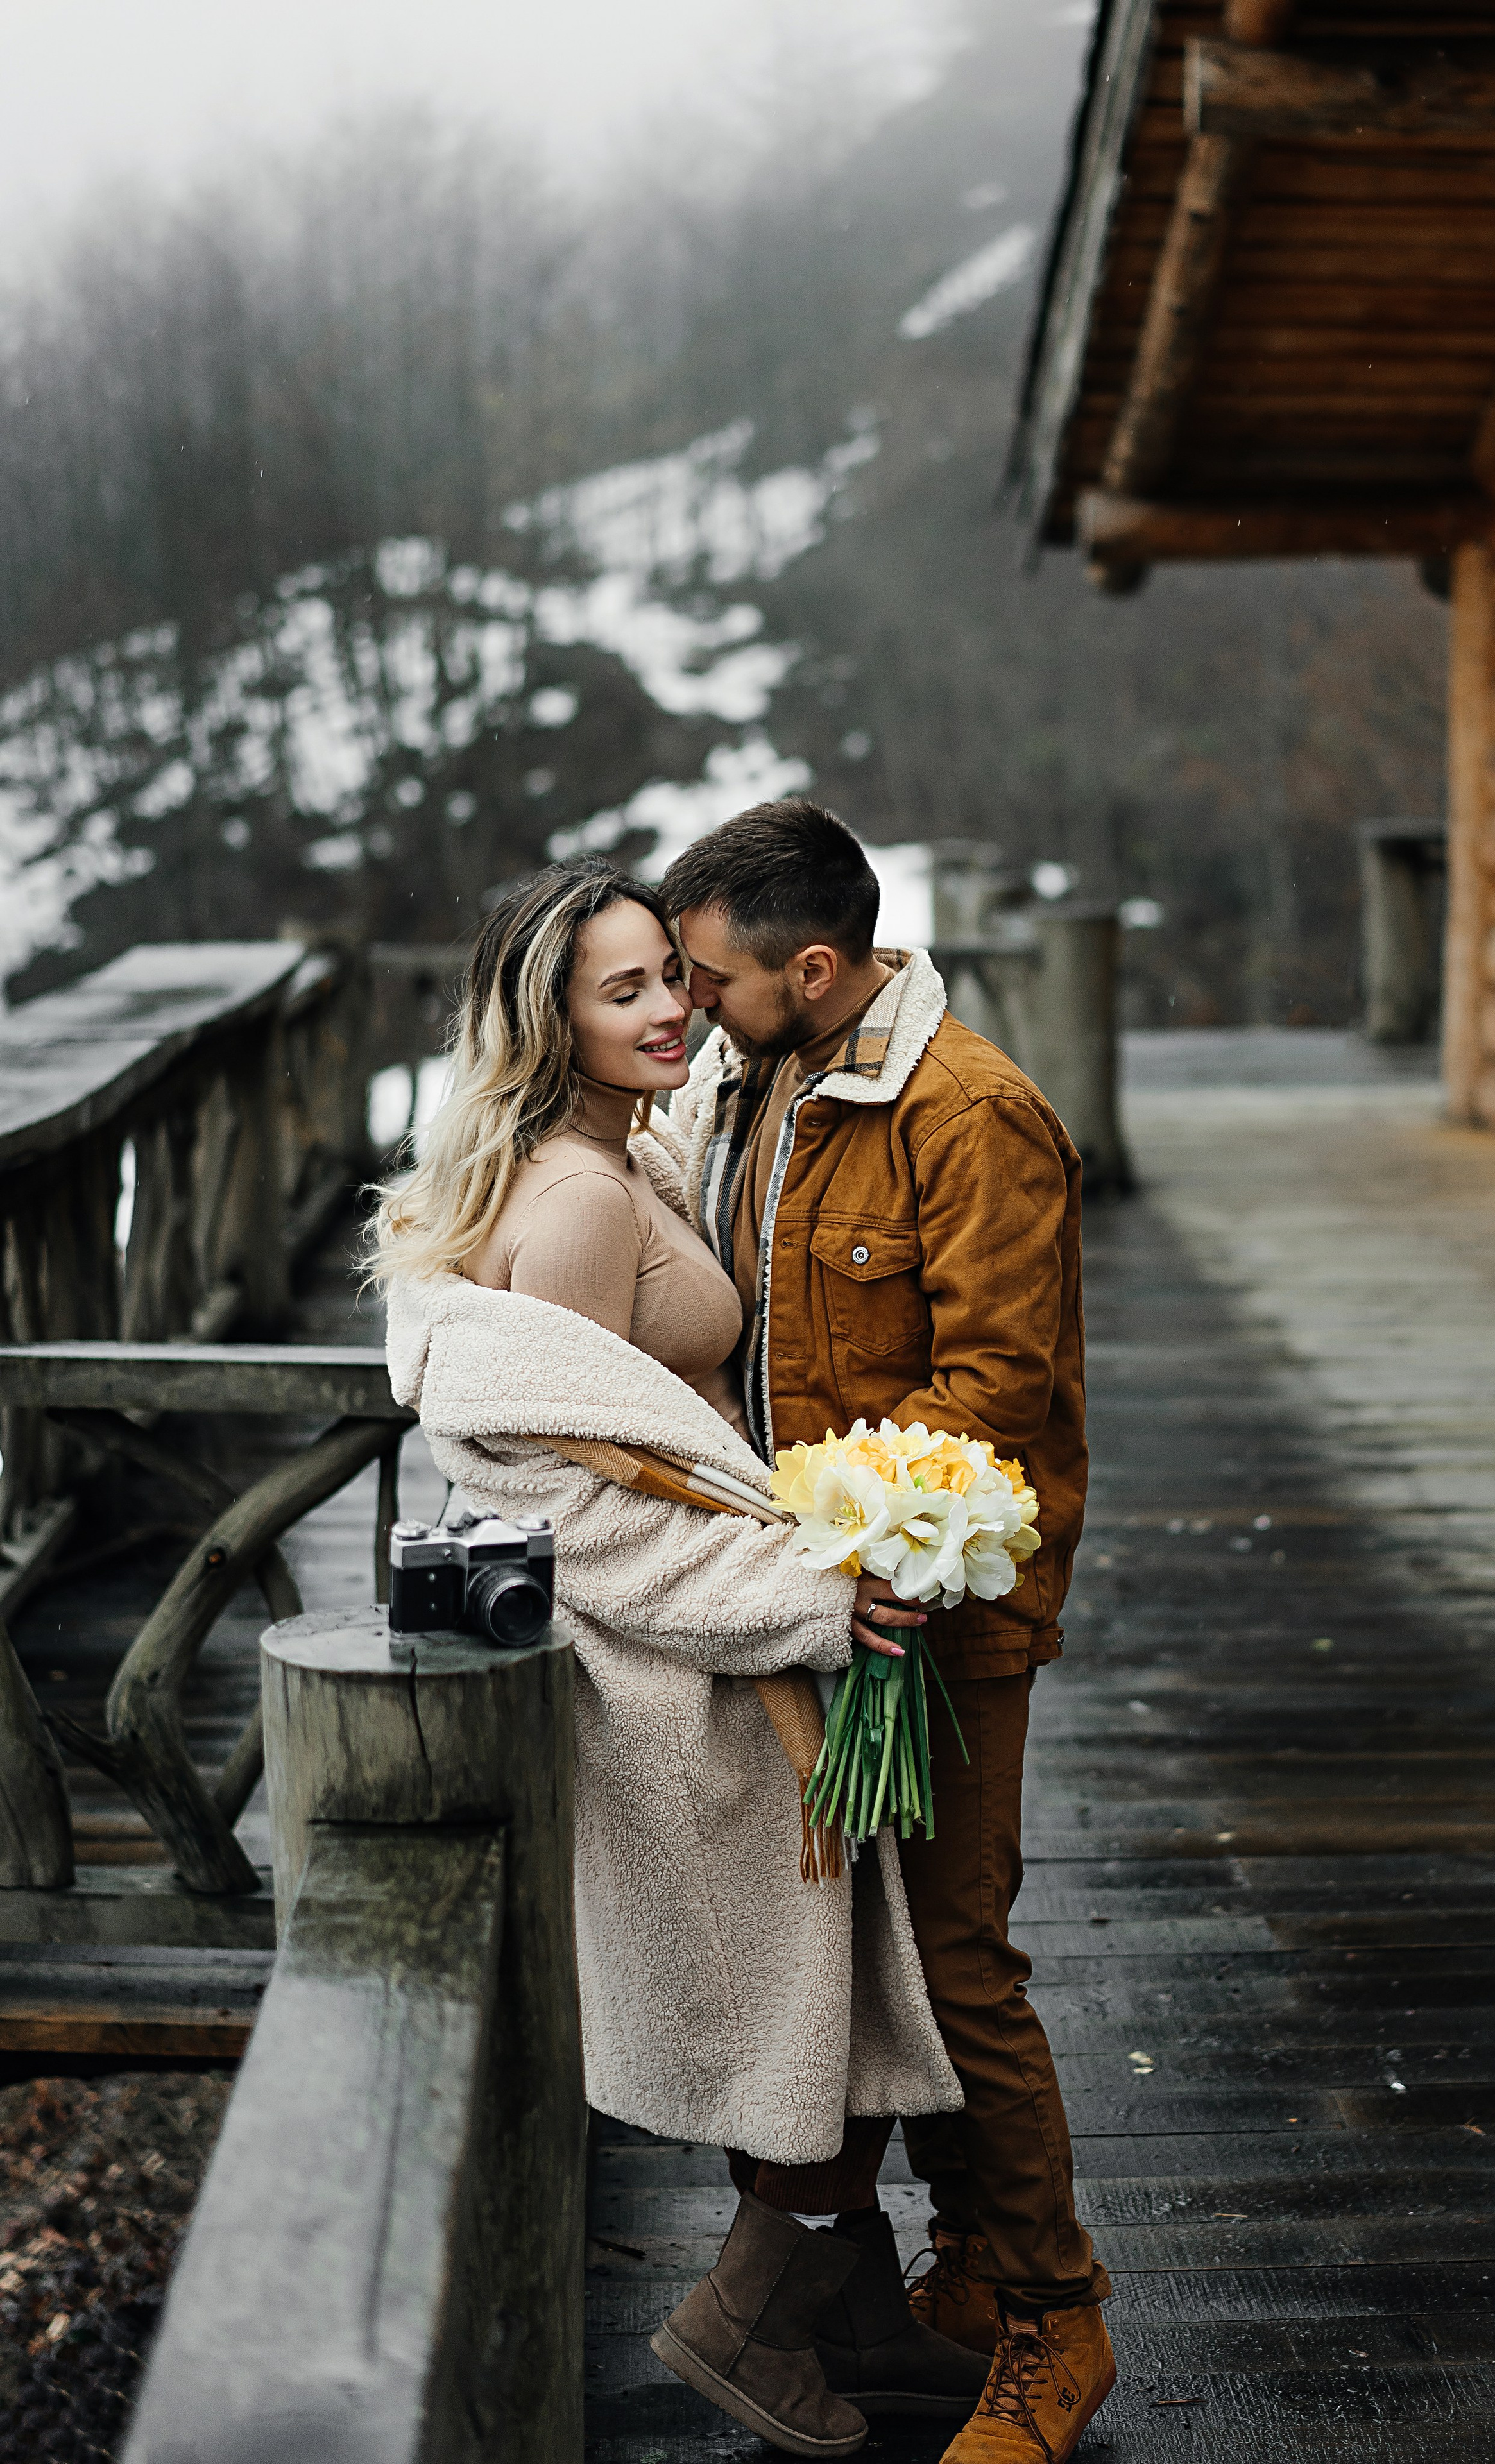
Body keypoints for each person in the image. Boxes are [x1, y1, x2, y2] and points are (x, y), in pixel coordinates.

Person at [366, 857, 986, 2460]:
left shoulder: (615, 1151)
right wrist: (802, 1591)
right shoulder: (574, 1202)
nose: (670, 1012)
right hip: (682, 1670)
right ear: (547, 1021)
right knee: (798, 2005)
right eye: (623, 990)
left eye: (675, 978)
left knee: (826, 1998)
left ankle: (845, 2317)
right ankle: (741, 2320)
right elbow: (562, 1496)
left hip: (724, 1643)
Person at [661, 801, 1116, 2464]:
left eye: (711, 975)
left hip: (946, 1611)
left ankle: (1058, 2322)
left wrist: (836, 1539)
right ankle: (967, 2270)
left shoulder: (971, 1114)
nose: (692, 1004)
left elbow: (994, 1390)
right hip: (818, 1608)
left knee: (958, 1963)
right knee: (864, 1972)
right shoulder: (768, 1079)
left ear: (818, 963)